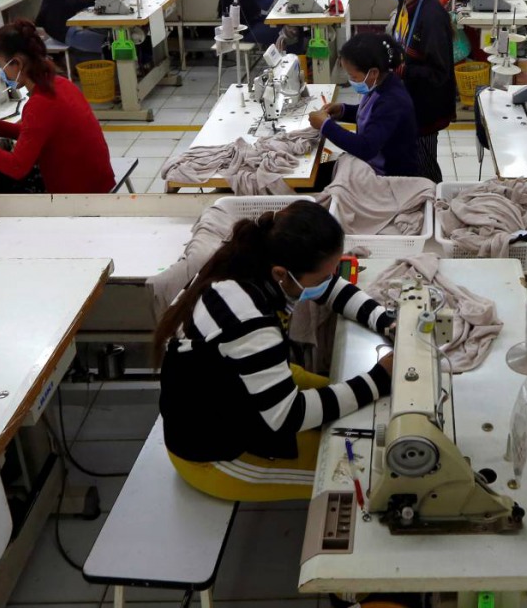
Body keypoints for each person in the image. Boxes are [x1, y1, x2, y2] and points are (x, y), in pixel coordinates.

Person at [157, 201, 394, 502]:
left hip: (235, 393)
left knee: (361, 409)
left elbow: (329, 286)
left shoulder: (253, 257)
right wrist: (378, 379)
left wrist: (386, 321)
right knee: (365, 474)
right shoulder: (247, 319)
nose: (328, 282)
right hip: (216, 454)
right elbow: (286, 416)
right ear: (282, 274)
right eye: (321, 277)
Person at [0, 20, 114, 194]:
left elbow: (17, 167)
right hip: (98, 181)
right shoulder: (60, 83)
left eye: (1, 66)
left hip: (79, 195)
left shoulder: (39, 104)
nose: (2, 72)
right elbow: (38, 133)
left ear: (17, 63)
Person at [376, 0, 456, 183]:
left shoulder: (431, 17)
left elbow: (440, 75)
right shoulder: (406, 3)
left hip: (425, 110)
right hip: (409, 102)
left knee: (424, 169)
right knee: (413, 163)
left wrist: (402, 71)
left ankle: (435, 206)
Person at [309, 34, 420, 177]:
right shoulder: (383, 84)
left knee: (317, 179)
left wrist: (325, 125)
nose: (351, 81)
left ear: (373, 72)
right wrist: (343, 110)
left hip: (388, 177)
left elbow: (365, 147)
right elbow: (373, 115)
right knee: (319, 173)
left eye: (353, 77)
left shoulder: (392, 101)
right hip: (373, 166)